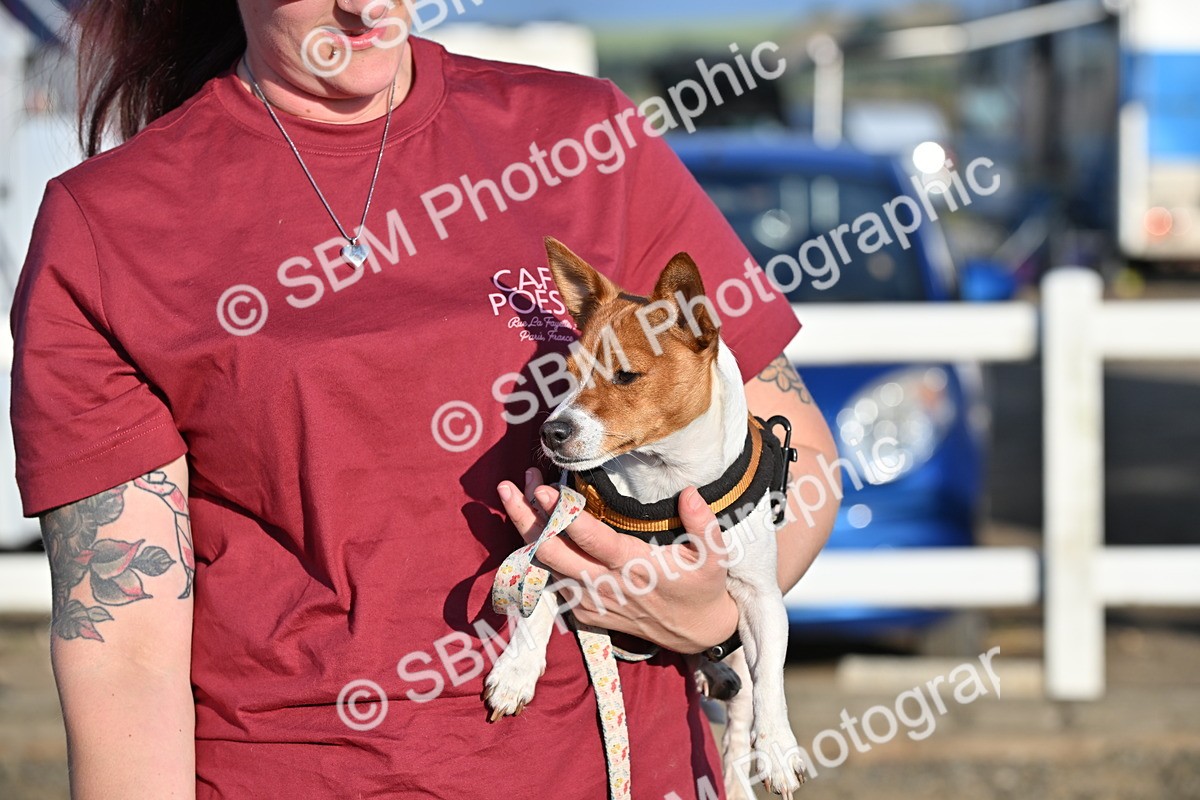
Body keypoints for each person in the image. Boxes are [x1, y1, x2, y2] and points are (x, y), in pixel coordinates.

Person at [9, 1, 839, 797]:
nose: (364, 6)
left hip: (626, 772)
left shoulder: (584, 138)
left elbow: (793, 447)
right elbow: (125, 648)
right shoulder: (110, 227)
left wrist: (715, 604)